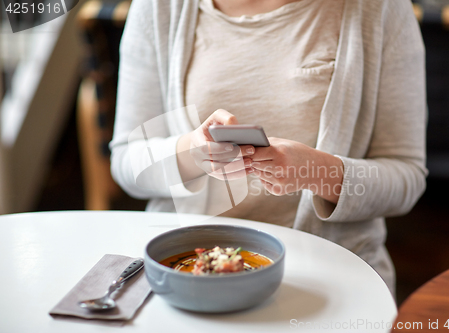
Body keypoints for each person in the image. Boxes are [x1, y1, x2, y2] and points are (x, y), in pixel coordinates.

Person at [110, 0, 427, 296]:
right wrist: (191, 152)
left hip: (332, 278)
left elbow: (407, 178)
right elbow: (126, 161)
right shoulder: (158, 7)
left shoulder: (381, 10)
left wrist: (316, 172)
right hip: (185, 275)